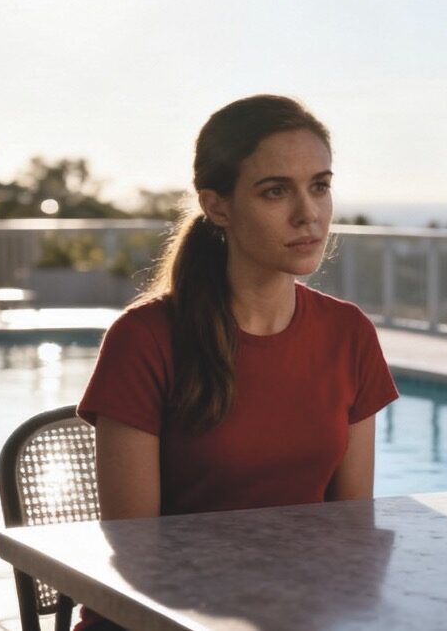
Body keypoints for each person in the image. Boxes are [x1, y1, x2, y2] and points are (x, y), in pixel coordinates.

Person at [75, 95, 398, 630]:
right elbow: (135, 555)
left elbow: (350, 531)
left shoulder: (349, 334)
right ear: (217, 205)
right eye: (276, 191)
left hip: (294, 616)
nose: (309, 213)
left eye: (319, 185)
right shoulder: (144, 340)